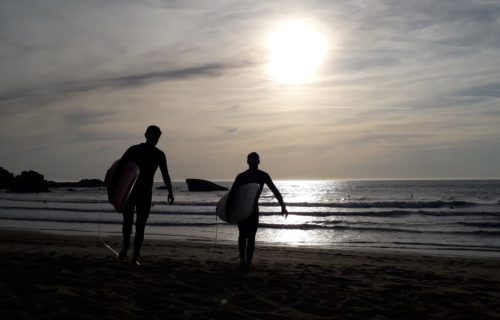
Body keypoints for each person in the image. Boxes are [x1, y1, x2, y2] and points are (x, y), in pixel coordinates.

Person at [119, 125, 174, 264]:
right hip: (133, 192)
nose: (155, 140)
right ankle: (128, 250)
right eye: (154, 137)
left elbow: (165, 174)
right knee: (131, 223)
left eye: (157, 138)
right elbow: (120, 167)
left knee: (136, 225)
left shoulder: (155, 154)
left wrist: (170, 191)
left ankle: (132, 255)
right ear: (146, 135)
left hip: (140, 193)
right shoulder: (138, 150)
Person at [228, 152, 287, 269]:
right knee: (245, 236)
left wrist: (283, 205)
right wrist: (282, 206)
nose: (254, 162)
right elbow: (232, 194)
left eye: (255, 160)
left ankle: (246, 261)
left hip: (249, 209)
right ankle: (244, 261)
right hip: (245, 209)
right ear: (249, 162)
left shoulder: (254, 176)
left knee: (248, 236)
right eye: (252, 160)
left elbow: (275, 190)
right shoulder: (246, 176)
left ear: (257, 162)